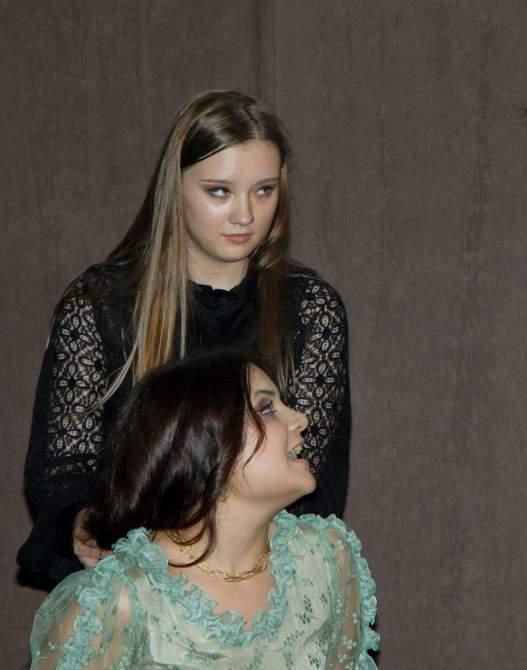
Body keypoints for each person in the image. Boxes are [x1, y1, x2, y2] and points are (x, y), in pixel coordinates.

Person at [19, 90, 351, 585]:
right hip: (131, 577)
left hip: (262, 581)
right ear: (174, 189)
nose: (245, 215)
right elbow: (64, 470)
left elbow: (310, 484)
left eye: (264, 190)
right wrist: (83, 523)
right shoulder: (100, 305)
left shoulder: (309, 309)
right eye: (220, 191)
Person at [29, 350, 378, 669]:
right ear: (201, 446)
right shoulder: (123, 600)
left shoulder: (328, 559)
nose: (301, 418)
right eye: (266, 408)